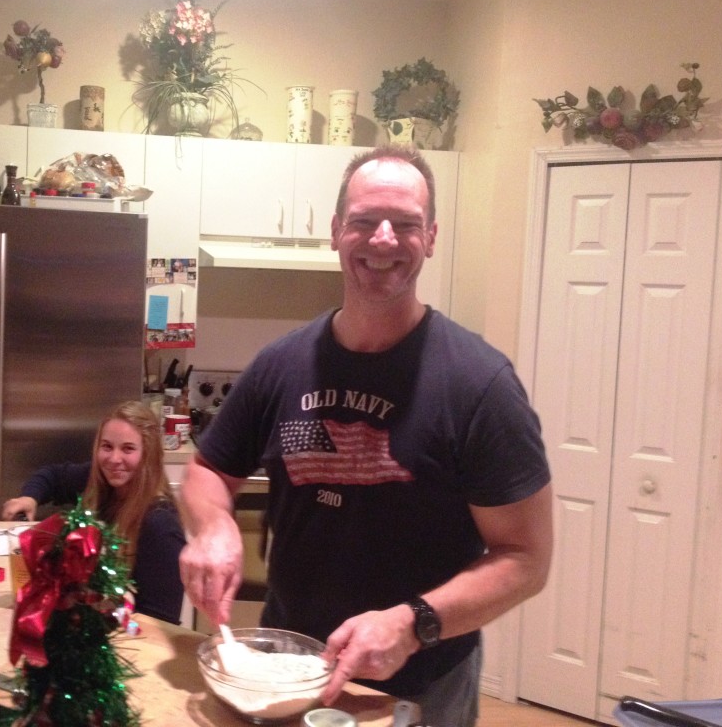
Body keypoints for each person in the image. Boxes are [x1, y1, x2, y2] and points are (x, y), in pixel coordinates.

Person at [177, 145, 553, 727]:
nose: (382, 239)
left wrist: (411, 623)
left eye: (404, 224)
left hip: (423, 686)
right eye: (363, 220)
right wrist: (214, 526)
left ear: (430, 237)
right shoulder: (281, 364)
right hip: (285, 672)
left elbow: (527, 558)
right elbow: (207, 472)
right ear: (335, 232)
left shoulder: (480, 384)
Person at [1, 400, 186, 625]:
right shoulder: (99, 482)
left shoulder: (160, 525)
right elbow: (52, 476)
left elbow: (160, 624)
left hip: (127, 647)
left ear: (149, 455)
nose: (114, 459)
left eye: (128, 448)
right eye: (107, 446)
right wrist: (29, 498)